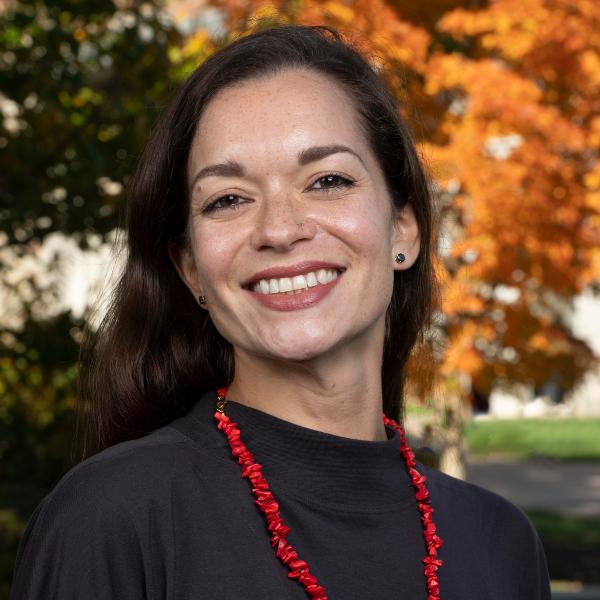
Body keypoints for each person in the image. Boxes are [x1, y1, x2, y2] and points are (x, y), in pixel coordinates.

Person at [10, 23, 551, 600]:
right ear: (190, 266)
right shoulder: (112, 519)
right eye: (228, 199)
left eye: (327, 180)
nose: (280, 229)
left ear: (404, 228)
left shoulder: (500, 542)